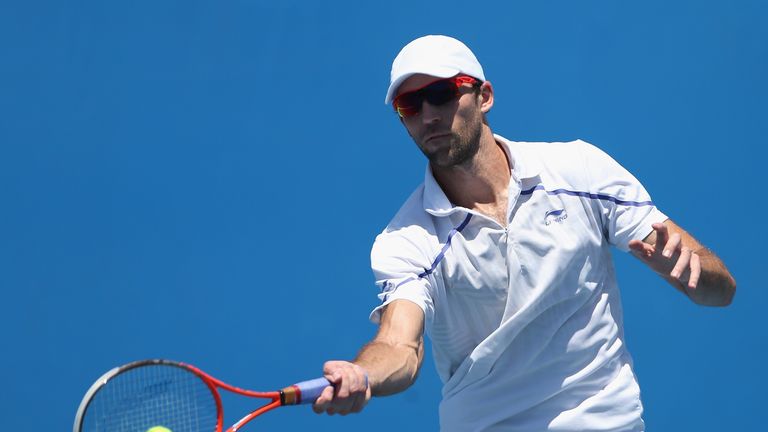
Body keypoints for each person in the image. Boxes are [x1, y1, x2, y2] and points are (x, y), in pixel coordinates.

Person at [312, 35, 736, 431]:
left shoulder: (580, 170)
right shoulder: (405, 241)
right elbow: (399, 344)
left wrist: (693, 273)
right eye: (409, 104)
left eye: (441, 93)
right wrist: (362, 372)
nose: (427, 115)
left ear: (484, 96)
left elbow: (720, 292)